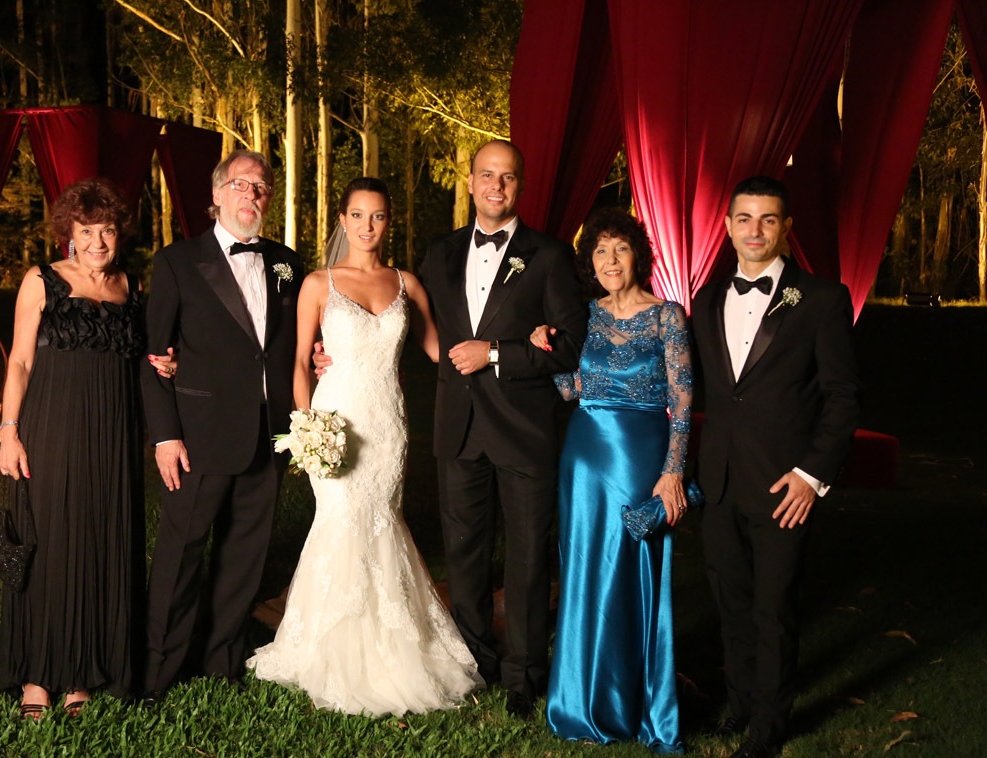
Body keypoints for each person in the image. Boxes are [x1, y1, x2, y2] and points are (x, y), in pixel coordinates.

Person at [248, 177, 482, 716]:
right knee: (341, 521)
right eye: (358, 215)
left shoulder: (407, 284)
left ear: (388, 221)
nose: (368, 226)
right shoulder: (317, 283)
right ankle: (327, 648)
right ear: (343, 219)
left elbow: (443, 354)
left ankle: (390, 648)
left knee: (382, 521)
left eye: (378, 216)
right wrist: (306, 428)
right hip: (335, 422)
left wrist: (502, 347)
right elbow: (299, 362)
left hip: (387, 425)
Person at [418, 139, 586, 719]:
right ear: (469, 182)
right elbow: (406, 321)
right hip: (458, 427)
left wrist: (497, 352)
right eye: (487, 175)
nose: (496, 186)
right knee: (463, 554)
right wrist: (326, 352)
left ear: (520, 186)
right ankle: (472, 661)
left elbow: (571, 345)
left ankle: (522, 672)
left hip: (523, 429)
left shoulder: (550, 256)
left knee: (527, 557)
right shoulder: (438, 253)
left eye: (508, 177)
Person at [693, 176, 859, 758]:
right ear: (729, 225)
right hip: (718, 481)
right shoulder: (707, 298)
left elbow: (842, 398)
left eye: (768, 220)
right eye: (744, 218)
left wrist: (812, 475)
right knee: (730, 600)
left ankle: (770, 723)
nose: (755, 231)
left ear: (786, 228)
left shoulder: (821, 298)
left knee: (774, 606)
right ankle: (739, 704)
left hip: (784, 484)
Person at [140, 150, 304, 706]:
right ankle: (159, 667)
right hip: (198, 436)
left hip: (267, 435)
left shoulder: (287, 262)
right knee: (181, 555)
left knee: (244, 556)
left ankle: (221, 661)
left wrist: (321, 356)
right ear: (216, 195)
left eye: (260, 187)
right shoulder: (178, 263)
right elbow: (152, 356)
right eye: (240, 185)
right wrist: (165, 435)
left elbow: (298, 343)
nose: (251, 195)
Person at [531, 209, 691, 753]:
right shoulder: (587, 317)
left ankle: (638, 703)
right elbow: (574, 388)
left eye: (619, 249)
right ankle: (579, 701)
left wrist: (673, 473)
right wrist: (545, 349)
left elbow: (684, 404)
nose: (610, 261)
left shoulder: (667, 317)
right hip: (584, 462)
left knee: (635, 572)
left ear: (637, 256)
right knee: (583, 573)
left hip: (642, 461)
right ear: (589, 262)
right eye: (600, 251)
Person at [0, 177, 146, 719]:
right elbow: (20, 361)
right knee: (51, 539)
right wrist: (9, 430)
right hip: (51, 427)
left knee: (99, 540)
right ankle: (37, 675)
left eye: (106, 230)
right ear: (69, 234)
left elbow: (141, 359)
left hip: (113, 434)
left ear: (118, 233)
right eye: (86, 231)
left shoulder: (131, 286)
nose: (98, 242)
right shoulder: (42, 280)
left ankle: (82, 672)